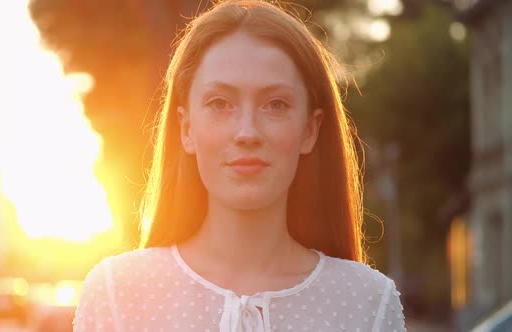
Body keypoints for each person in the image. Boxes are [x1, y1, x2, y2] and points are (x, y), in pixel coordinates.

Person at [74, 0, 405, 331]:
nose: (247, 132)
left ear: (310, 130)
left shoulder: (369, 303)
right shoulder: (114, 295)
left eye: (275, 104)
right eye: (220, 103)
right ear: (186, 129)